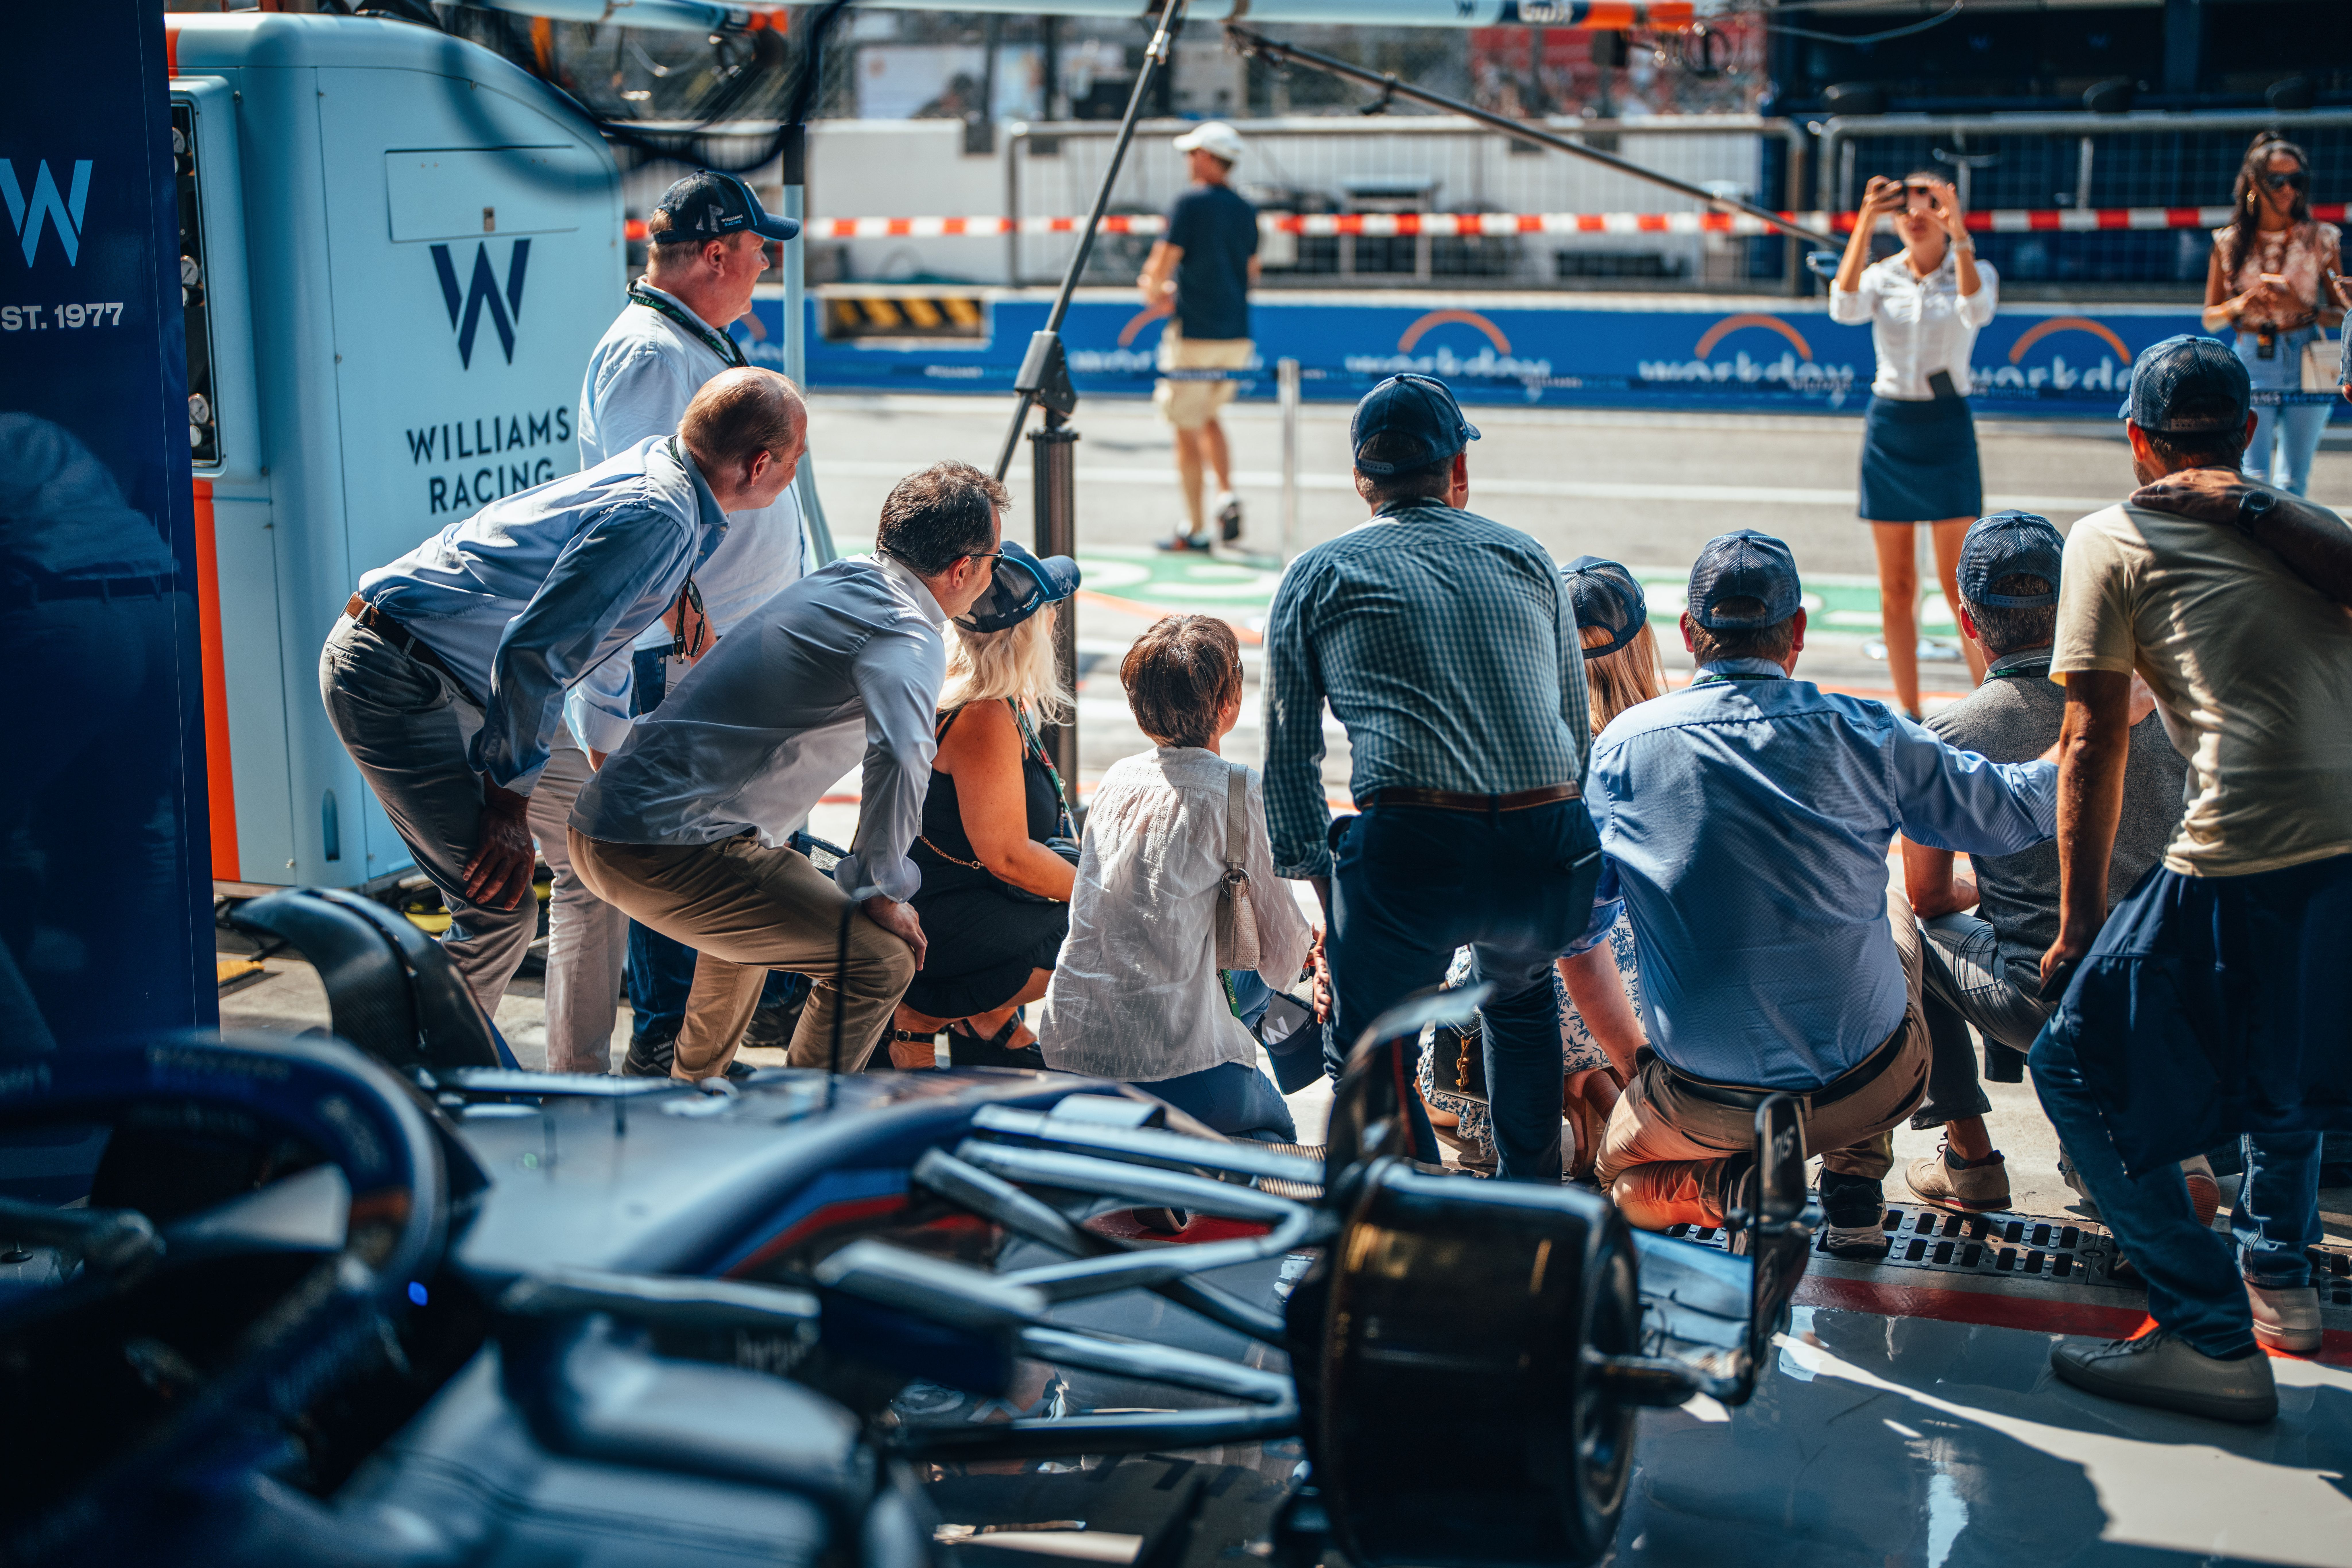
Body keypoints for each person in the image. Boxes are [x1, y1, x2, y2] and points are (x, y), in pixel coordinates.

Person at [2033, 334, 2352, 1423]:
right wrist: (2259, 508)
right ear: (2249, 434)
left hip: (2245, 836)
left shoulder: (2110, 535)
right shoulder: (2304, 532)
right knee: (2284, 1047)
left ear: (2134, 441)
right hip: (2343, 838)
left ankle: (2209, 1332)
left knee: (2067, 1063)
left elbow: (2088, 742)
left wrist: (2078, 923)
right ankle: (2282, 1275)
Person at [1583, 530, 2060, 1256]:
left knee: (1615, 1179)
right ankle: (1853, 1191)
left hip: (1702, 1101)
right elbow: (2020, 808)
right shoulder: (1869, 731)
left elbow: (1575, 935)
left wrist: (1637, 1066)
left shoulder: (1621, 749)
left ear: (1688, 634)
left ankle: (1731, 1192)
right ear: (1797, 631)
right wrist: (2100, 722)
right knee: (1896, 908)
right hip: (1866, 1086)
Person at [320, 369, 803, 1021]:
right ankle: (415, 1077)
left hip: (473, 682)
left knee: (596, 846)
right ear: (759, 464)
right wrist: (506, 805)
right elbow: (536, 656)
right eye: (797, 459)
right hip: (398, 671)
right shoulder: (660, 516)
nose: (796, 474)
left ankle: (575, 1077)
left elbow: (595, 635)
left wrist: (676, 618)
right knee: (497, 910)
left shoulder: (674, 486)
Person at [1263, 373, 1600, 1182]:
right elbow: (1574, 740)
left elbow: (1289, 765)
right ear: (1459, 473)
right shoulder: (1528, 559)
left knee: (1370, 1035)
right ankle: (1531, 1199)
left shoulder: (1317, 575)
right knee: (1516, 996)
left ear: (1361, 480)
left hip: (1415, 847)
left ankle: (1407, 1211)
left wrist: (1327, 897)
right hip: (1548, 852)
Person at [567, 462, 1003, 1081]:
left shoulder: (845, 578)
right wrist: (881, 888)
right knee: (880, 961)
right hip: (662, 844)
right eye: (993, 559)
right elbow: (904, 753)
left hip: (611, 824)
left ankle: (694, 1094)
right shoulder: (908, 631)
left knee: (757, 919)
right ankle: (800, 1129)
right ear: (962, 569)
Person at [553, 169, 809, 1077]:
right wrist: (679, 617)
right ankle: (667, 1037)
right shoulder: (653, 354)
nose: (764, 264)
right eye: (755, 249)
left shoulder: (686, 339)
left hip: (725, 650)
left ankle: (726, 1016)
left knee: (729, 832)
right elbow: (638, 512)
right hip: (684, 662)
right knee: (682, 846)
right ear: (713, 254)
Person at [1896, 510, 2205, 1218]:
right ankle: (2150, 1145)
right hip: (2167, 979)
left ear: (1969, 623)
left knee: (1905, 935)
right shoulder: (2148, 703)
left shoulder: (1949, 734)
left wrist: (1993, 889)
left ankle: (1970, 1158)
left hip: (2038, 989)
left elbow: (1927, 894)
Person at [1417, 556, 1661, 1177]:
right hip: (1644, 1018)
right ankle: (1596, 1089)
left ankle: (1574, 1091)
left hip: (1514, 1014)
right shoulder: (1665, 745)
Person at [1038, 615, 1311, 1139]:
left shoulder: (1117, 779)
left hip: (1074, 1056)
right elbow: (1283, 959)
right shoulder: (1238, 790)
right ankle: (1191, 1184)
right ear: (1227, 704)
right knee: (1277, 1134)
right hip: (1185, 1070)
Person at [881, 540, 1083, 1071]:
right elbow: (1008, 857)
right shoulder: (985, 716)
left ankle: (987, 1017)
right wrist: (1101, 894)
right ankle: (921, 1015)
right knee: (1087, 925)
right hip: (937, 919)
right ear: (1027, 631)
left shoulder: (973, 691)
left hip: (942, 894)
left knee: (1075, 886)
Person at [1830, 170, 1999, 719]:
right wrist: (1864, 219)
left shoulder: (1973, 271)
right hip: (1891, 428)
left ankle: (1985, 709)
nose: (1916, 212)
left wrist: (1962, 238)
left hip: (1947, 426)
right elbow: (1843, 306)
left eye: (1931, 201)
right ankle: (1910, 712)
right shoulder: (1881, 276)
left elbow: (1978, 311)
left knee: (1961, 587)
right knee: (1897, 586)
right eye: (1906, 203)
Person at [1137, 121, 1259, 554]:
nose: (1189, 161)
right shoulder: (1246, 209)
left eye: (1193, 154)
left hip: (1194, 336)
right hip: (1237, 336)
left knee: (1185, 429)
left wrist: (1156, 290)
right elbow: (1251, 272)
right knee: (1209, 416)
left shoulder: (1189, 203)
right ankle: (1227, 495)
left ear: (1207, 156)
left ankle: (1194, 528)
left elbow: (1161, 265)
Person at [2200, 134, 2343, 499]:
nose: (2287, 190)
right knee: (2254, 476)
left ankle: (2287, 554)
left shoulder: (2321, 239)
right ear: (2253, 184)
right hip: (2251, 353)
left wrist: (2302, 307)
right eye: (2277, 181)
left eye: (2296, 181)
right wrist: (2241, 304)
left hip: (2308, 353)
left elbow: (2344, 312)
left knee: (2294, 480)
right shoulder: (2228, 242)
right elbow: (2210, 318)